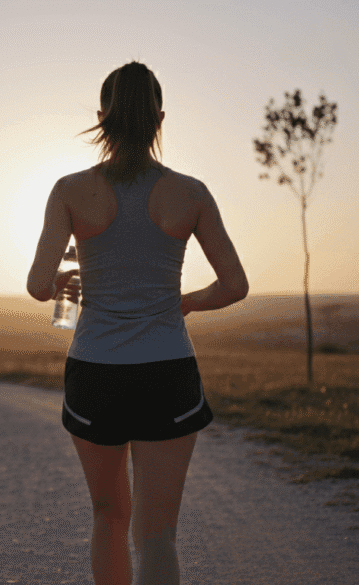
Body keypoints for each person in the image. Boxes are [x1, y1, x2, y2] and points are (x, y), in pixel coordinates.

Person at [26, 61, 248, 585]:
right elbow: (234, 286)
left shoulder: (69, 190)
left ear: (102, 118)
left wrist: (61, 282)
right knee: (158, 535)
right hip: (167, 370)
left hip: (95, 371)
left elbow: (38, 287)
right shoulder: (190, 193)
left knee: (109, 517)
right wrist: (184, 304)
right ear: (159, 119)